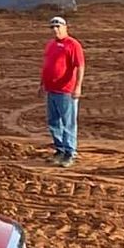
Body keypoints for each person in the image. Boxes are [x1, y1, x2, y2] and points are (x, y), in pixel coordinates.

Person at [41, 15, 86, 167]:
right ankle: (59, 149)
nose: (55, 30)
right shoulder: (50, 45)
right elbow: (47, 65)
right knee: (54, 122)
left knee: (68, 123)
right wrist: (42, 84)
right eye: (53, 27)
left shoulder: (73, 45)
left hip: (66, 90)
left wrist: (78, 86)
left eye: (58, 26)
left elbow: (80, 66)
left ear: (65, 27)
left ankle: (69, 152)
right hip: (51, 90)